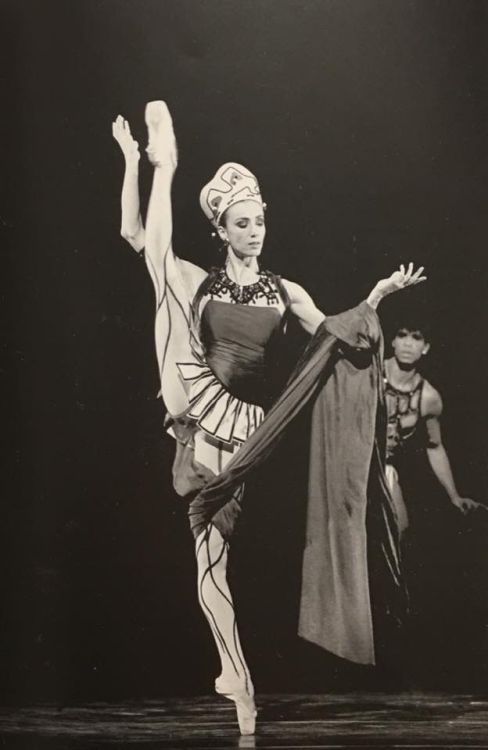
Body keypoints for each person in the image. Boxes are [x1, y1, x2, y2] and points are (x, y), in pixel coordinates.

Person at [112, 100, 425, 735]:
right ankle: (164, 164)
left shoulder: (285, 291)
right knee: (166, 287)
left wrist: (375, 298)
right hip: (192, 396)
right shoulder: (202, 279)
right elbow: (136, 235)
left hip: (242, 430)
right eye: (243, 223)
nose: (256, 231)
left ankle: (236, 675)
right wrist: (132, 166)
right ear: (222, 230)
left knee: (211, 565)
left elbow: (335, 337)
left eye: (260, 221)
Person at [383, 319, 480, 538]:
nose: (408, 344)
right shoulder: (370, 375)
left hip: (383, 468)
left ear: (425, 348)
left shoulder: (428, 397)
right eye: (402, 335)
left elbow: (434, 446)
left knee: (399, 527)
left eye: (416, 338)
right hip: (349, 462)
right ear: (392, 341)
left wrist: (453, 495)